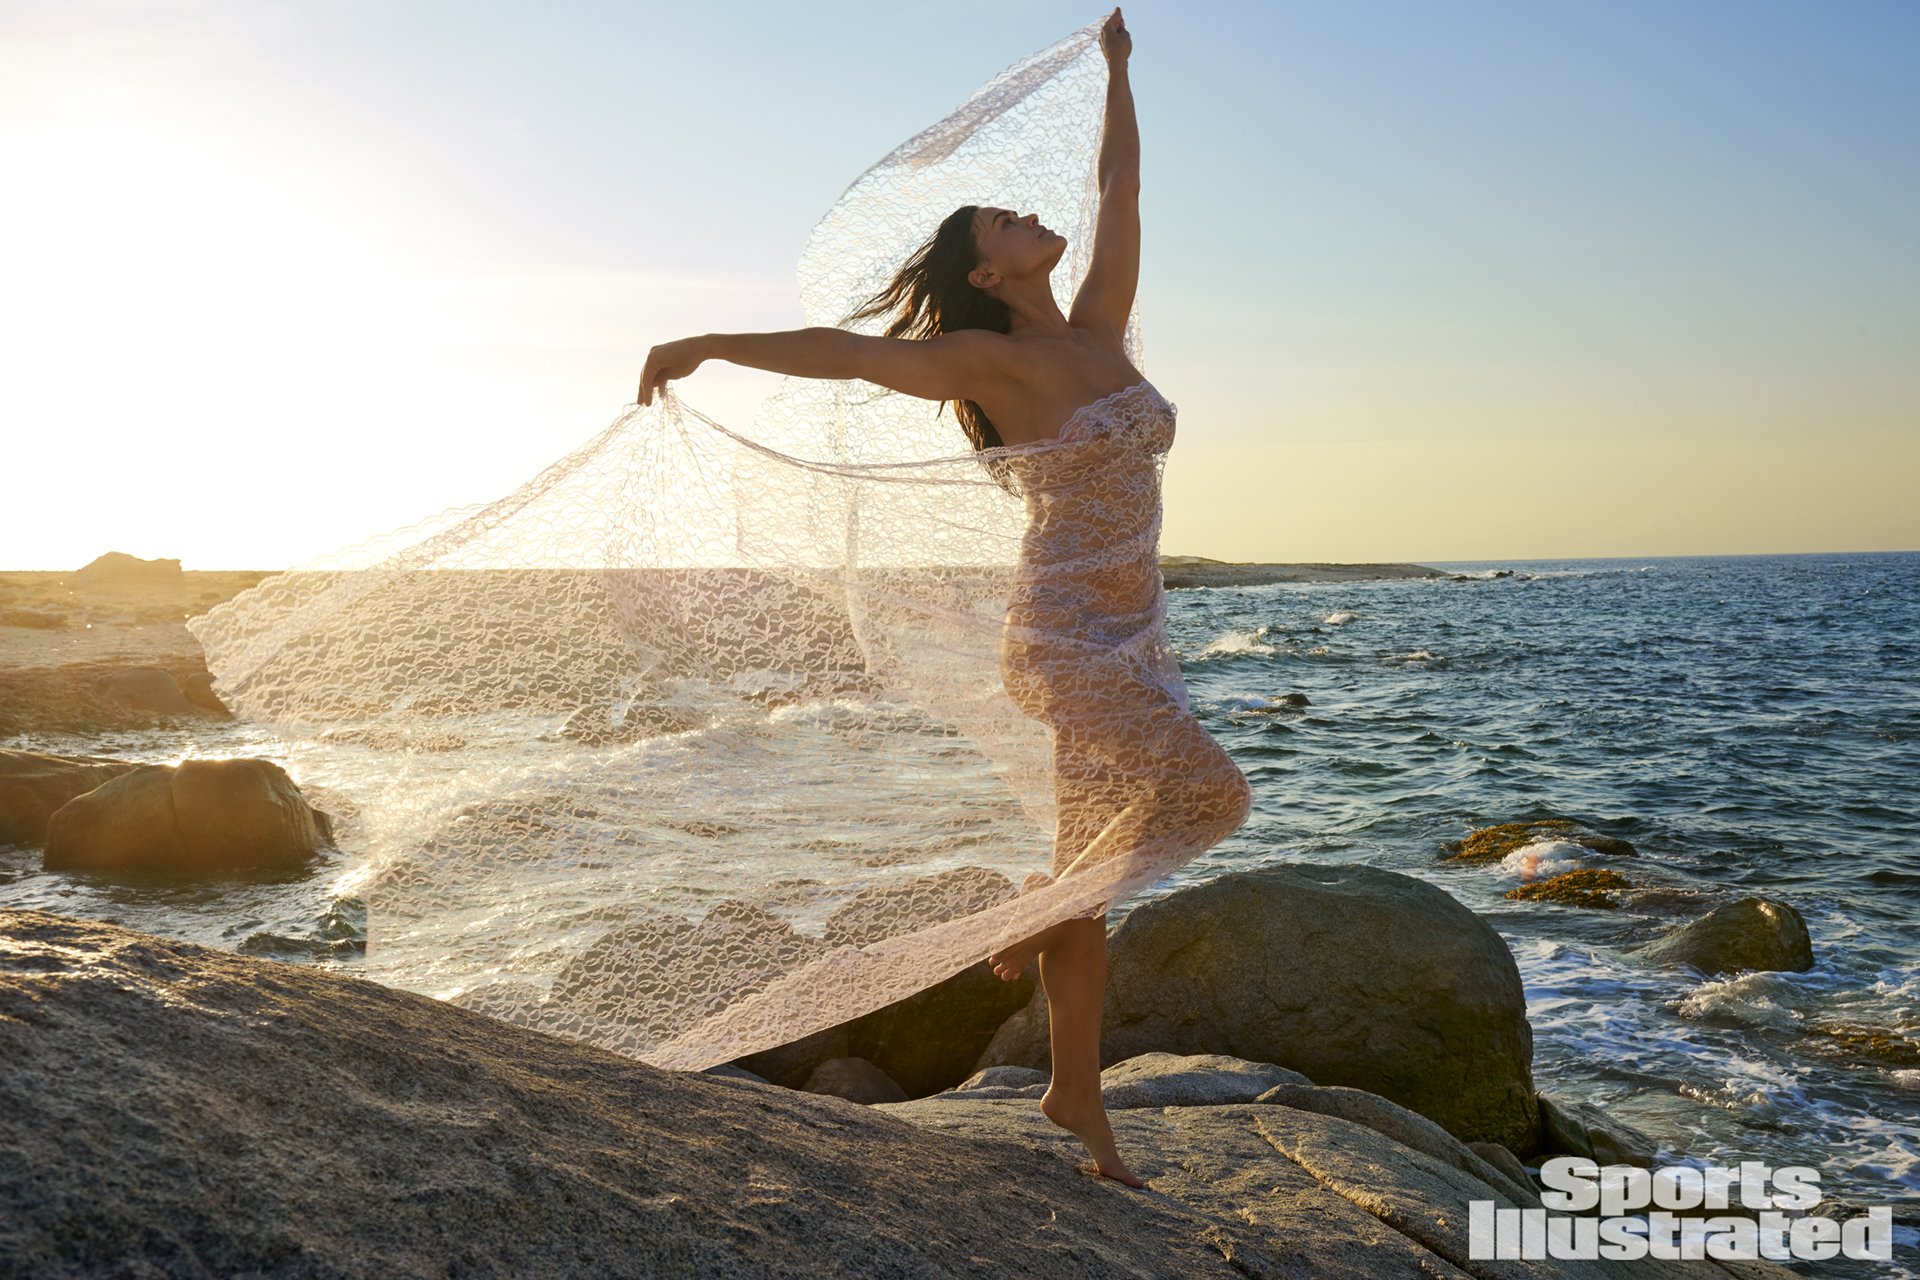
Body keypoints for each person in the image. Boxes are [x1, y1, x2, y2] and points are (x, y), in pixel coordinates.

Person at [633, 7, 1250, 1188]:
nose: (1029, 213)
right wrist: (709, 339)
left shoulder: (1101, 331)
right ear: (986, 272)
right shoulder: (988, 363)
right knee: (1212, 791)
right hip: (1066, 638)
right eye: (1002, 220)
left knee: (1089, 876)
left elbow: (1121, 192)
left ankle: (1080, 1099)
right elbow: (850, 350)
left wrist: (1119, 70)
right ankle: (1023, 919)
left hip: (1136, 641)